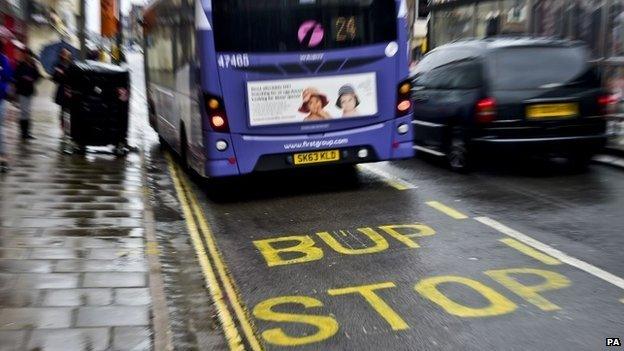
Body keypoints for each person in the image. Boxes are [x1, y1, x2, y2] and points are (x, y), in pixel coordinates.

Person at [14, 48, 41, 139]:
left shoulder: (33, 65)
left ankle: (27, 132)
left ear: (30, 55)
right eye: (25, 54)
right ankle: (23, 133)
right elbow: (16, 76)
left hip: (29, 90)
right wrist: (24, 78)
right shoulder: (20, 64)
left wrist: (32, 79)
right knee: (24, 111)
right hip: (22, 91)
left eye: (28, 54)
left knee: (28, 111)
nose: (26, 56)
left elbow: (38, 76)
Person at [52, 48, 72, 138]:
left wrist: (64, 74)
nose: (64, 55)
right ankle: (64, 129)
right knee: (63, 111)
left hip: (71, 90)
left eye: (66, 53)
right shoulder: (58, 65)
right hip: (62, 91)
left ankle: (70, 128)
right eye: (63, 53)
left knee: (70, 111)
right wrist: (59, 74)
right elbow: (55, 79)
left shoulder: (72, 65)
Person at [0, 41, 13, 171]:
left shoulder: (4, 60)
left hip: (1, 99)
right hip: (2, 97)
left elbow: (8, 77)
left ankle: (3, 158)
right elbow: (8, 78)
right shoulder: (4, 60)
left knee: (1, 129)